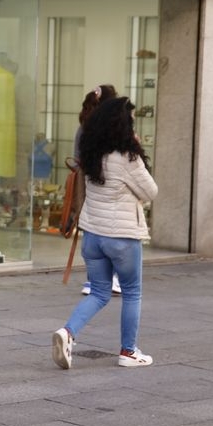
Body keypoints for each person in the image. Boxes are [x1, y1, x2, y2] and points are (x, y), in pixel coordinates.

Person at [52, 96, 158, 370]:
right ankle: (128, 351)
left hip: (93, 236)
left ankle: (68, 332)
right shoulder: (127, 158)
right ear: (123, 126)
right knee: (132, 293)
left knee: (99, 292)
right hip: (122, 238)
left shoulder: (93, 154)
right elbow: (151, 192)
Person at [75, 85, 121, 296]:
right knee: (113, 230)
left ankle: (93, 279)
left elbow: (78, 160)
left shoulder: (84, 126)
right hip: (111, 186)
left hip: (86, 184)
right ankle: (112, 277)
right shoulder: (114, 128)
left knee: (92, 229)